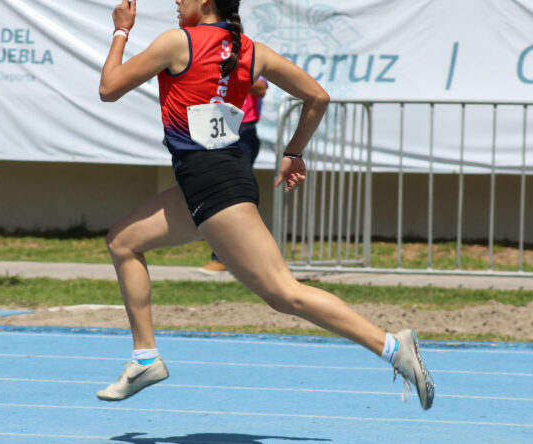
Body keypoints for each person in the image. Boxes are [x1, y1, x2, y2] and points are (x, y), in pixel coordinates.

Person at [96, 0, 435, 410]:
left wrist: (121, 31)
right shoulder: (252, 50)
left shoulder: (176, 42)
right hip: (209, 182)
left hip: (215, 188)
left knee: (284, 294)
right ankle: (145, 357)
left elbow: (109, 89)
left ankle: (393, 346)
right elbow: (317, 97)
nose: (175, 1)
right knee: (123, 243)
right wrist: (294, 152)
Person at [199, 76, 268, 274]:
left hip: (242, 132)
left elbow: (260, 89)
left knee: (235, 197)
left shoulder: (249, 57)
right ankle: (225, 257)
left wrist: (232, 72)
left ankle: (226, 258)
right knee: (217, 195)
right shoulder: (209, 57)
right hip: (215, 128)